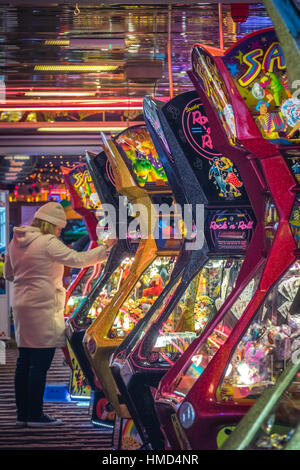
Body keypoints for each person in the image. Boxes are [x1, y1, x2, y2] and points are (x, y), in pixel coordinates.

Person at [4, 202, 116, 428]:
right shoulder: (47, 242)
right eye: (59, 228)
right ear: (50, 224)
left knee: (24, 360)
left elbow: (8, 273)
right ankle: (35, 415)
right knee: (40, 362)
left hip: (22, 305)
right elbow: (78, 259)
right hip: (43, 305)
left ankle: (23, 413)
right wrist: (108, 249)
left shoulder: (15, 242)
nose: (60, 232)